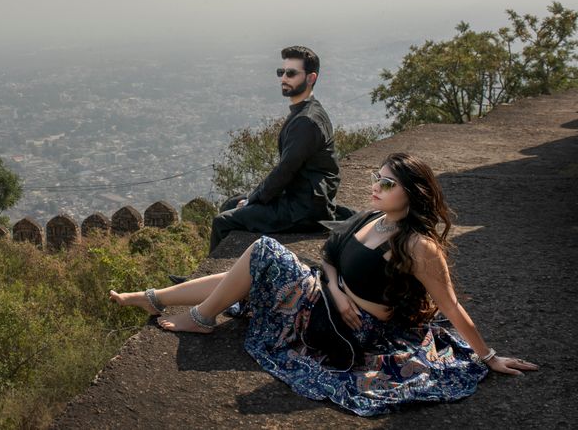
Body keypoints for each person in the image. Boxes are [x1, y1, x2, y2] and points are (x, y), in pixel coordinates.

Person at [110, 152, 537, 417]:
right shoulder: (373, 218)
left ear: (412, 193)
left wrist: (489, 356)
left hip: (353, 329)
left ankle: (200, 317)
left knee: (262, 254)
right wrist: (333, 286)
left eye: (388, 184)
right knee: (257, 267)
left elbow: (451, 306)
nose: (376, 186)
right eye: (377, 177)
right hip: (327, 299)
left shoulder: (418, 244)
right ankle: (155, 298)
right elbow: (330, 259)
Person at [209, 46, 342, 254]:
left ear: (310, 78)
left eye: (291, 73)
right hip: (302, 199)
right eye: (282, 72)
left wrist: (253, 199)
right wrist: (252, 198)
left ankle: (216, 283)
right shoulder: (307, 111)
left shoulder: (306, 121)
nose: (284, 78)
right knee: (232, 204)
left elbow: (285, 170)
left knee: (222, 222)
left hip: (303, 210)